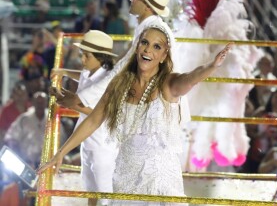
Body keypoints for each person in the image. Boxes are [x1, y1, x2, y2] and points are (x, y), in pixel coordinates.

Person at [37, 24, 232, 204]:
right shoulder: (120, 83)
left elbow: (190, 78)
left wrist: (212, 66)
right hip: (126, 173)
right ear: (137, 47)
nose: (148, 50)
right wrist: (60, 153)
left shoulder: (168, 84)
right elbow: (94, 119)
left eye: (157, 47)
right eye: (145, 43)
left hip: (160, 180)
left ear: (164, 55)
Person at [50, 30, 119, 206]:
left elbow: (102, 113)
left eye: (87, 56)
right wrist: (64, 72)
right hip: (87, 140)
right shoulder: (89, 70)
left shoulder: (107, 80)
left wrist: (68, 102)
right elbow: (81, 77)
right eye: (83, 55)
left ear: (101, 58)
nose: (83, 60)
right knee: (90, 188)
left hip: (103, 144)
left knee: (105, 194)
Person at [4, 91, 49, 169]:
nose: (40, 105)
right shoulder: (24, 119)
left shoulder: (52, 119)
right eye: (38, 102)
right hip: (26, 163)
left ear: (46, 103)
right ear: (33, 103)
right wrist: (18, 157)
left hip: (47, 164)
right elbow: (11, 138)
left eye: (42, 102)